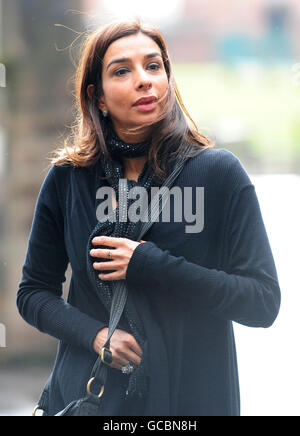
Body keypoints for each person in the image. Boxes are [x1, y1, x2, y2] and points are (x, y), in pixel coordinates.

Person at [17, 19, 281, 416]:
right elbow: (33, 293)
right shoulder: (69, 179)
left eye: (154, 66)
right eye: (122, 70)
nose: (144, 80)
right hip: (90, 398)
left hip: (190, 397)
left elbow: (261, 302)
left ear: (168, 78)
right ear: (99, 96)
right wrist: (96, 336)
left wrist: (149, 264)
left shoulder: (218, 174)